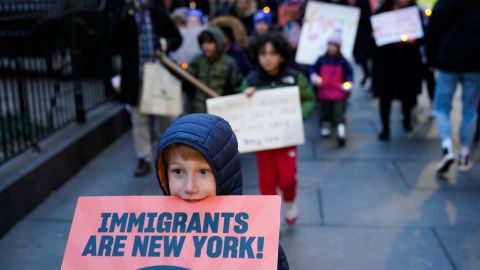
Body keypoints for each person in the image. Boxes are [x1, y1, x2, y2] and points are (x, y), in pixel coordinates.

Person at [154, 113, 290, 270]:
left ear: (224, 174)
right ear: (164, 174)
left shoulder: (258, 241)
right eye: (178, 171)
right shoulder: (145, 235)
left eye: (203, 172)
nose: (189, 187)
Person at [240, 33, 315, 225]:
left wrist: (299, 115)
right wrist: (245, 96)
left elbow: (308, 100)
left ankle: (290, 202)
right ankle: (270, 216)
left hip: (287, 138)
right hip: (262, 141)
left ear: (281, 56)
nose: (267, 58)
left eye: (272, 53)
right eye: (263, 53)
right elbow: (239, 105)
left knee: (288, 179)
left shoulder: (294, 77)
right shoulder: (251, 80)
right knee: (266, 179)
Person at [115, 0, 182, 176]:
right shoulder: (124, 16)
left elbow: (177, 38)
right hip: (135, 78)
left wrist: (164, 44)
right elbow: (113, 41)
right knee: (139, 120)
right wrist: (124, 16)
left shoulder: (157, 13)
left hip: (159, 76)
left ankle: (169, 156)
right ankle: (143, 157)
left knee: (165, 118)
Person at [425, 0, 480, 173]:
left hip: (447, 61)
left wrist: (431, 60)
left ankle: (447, 147)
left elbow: (432, 34)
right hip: (474, 62)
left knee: (441, 107)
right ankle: (464, 155)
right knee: (470, 110)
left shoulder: (443, 4)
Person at [371, 0, 423, 141]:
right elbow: (373, 38)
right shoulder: (382, 13)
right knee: (385, 96)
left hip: (408, 61)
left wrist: (414, 41)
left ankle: (406, 120)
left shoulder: (414, 12)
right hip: (386, 62)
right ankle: (385, 126)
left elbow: (422, 36)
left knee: (408, 94)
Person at [310, 30, 353, 146]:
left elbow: (349, 74)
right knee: (325, 111)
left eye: (334, 46)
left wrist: (348, 83)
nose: (331, 48)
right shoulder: (321, 59)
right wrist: (315, 77)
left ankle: (341, 131)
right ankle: (326, 125)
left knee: (338, 112)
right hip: (324, 91)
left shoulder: (343, 62)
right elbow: (313, 70)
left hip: (338, 92)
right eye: (330, 45)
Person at [187, 27, 243, 113]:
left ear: (218, 43)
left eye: (210, 42)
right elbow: (188, 77)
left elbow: (236, 86)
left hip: (220, 108)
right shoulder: (199, 60)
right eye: (203, 42)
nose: (206, 46)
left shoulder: (228, 62)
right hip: (199, 108)